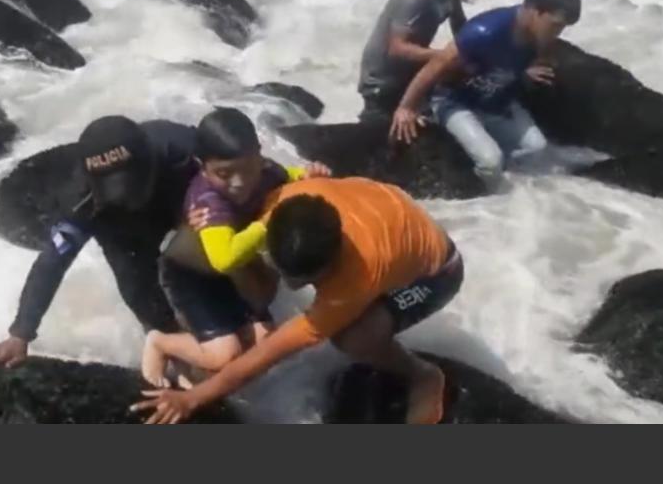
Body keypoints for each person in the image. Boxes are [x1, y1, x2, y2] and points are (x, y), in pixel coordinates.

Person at [132, 177, 464, 424]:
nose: (292, 285)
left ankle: (422, 374)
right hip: (389, 221)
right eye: (283, 269)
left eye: (306, 281)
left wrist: (193, 399)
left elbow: (269, 354)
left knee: (352, 337)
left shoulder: (355, 279)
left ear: (333, 264)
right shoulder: (283, 201)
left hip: (435, 272)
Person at [0, 115, 197, 369]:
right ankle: (184, 363)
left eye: (131, 186)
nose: (126, 198)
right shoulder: (83, 200)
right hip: (121, 229)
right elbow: (52, 262)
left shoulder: (180, 147)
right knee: (140, 293)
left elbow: (240, 164)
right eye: (116, 190)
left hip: (182, 200)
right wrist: (20, 334)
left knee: (217, 259)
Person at [142, 107, 331, 387]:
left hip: (237, 275)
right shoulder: (208, 200)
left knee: (267, 341)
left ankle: (198, 357)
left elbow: (291, 178)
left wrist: (312, 175)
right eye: (224, 173)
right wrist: (268, 221)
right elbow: (224, 259)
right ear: (202, 167)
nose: (239, 182)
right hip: (193, 277)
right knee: (226, 356)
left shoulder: (266, 171)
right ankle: (161, 343)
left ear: (260, 154)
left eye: (248, 168)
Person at [389, 0, 582, 189]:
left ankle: (511, 189)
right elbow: (435, 66)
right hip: (456, 101)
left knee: (536, 148)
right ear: (535, 11)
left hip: (496, 100)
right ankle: (486, 197)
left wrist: (523, 70)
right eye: (555, 25)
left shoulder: (538, 35)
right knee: (491, 162)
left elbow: (514, 57)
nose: (558, 33)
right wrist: (406, 107)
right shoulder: (484, 31)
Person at [358, 0, 484, 119]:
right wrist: (445, 57)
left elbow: (460, 27)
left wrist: (480, 53)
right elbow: (397, 48)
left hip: (410, 71)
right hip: (382, 80)